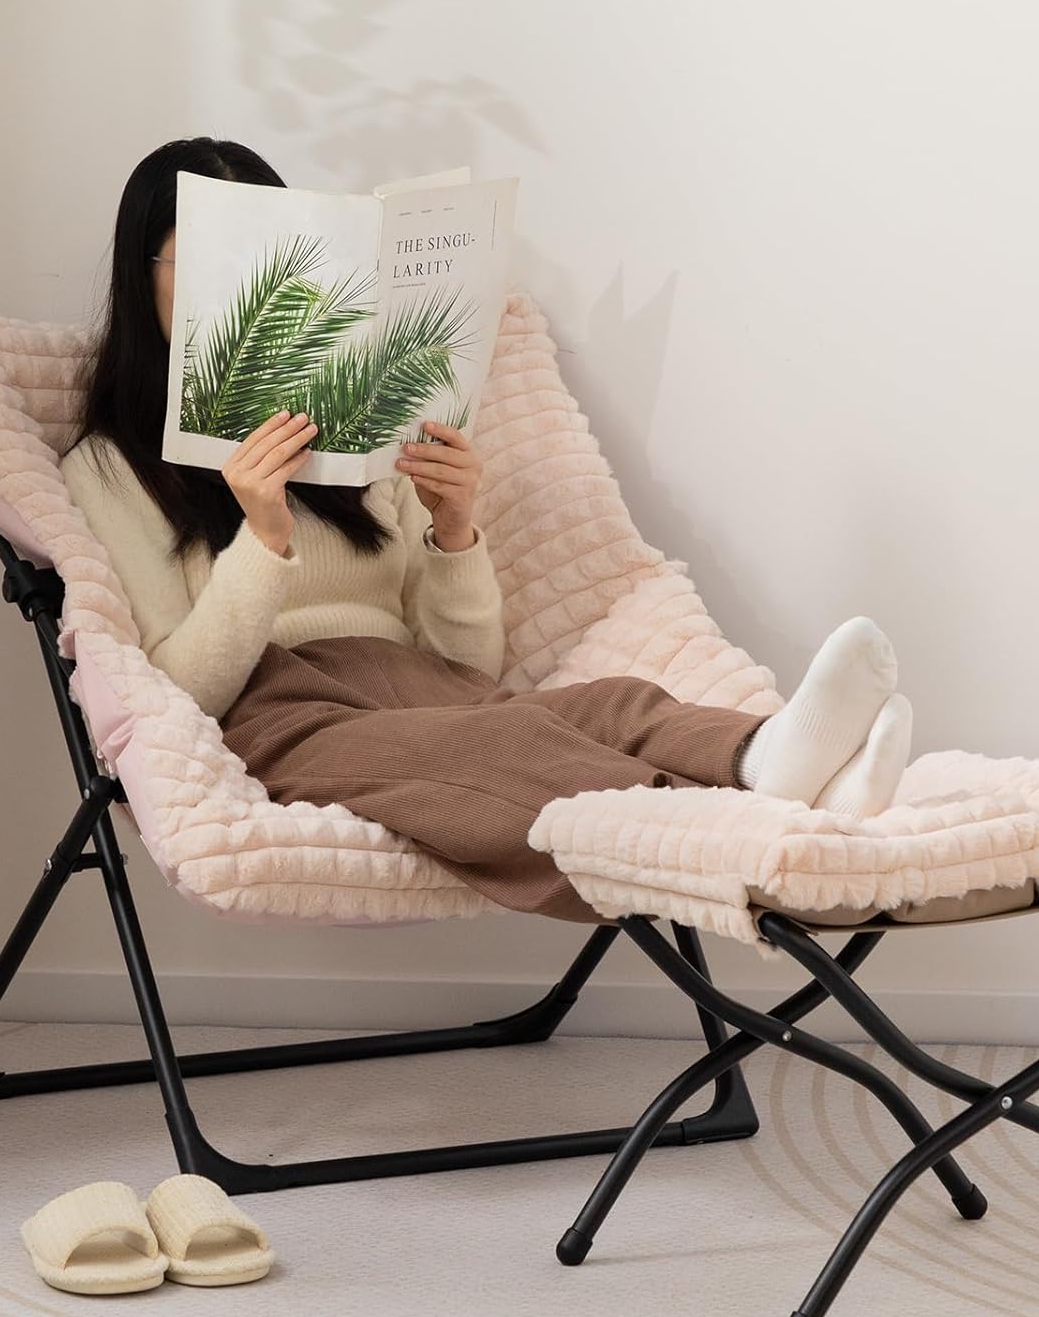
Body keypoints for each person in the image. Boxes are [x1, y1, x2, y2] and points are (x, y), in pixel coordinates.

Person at [62, 138, 914, 922]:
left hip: (416, 684)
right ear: (144, 277)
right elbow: (178, 693)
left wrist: (455, 532)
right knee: (508, 739)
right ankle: (748, 833)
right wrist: (264, 536)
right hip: (278, 710)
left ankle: (772, 759)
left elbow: (466, 669)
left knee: (608, 704)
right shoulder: (108, 467)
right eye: (206, 254)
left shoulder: (353, 429)